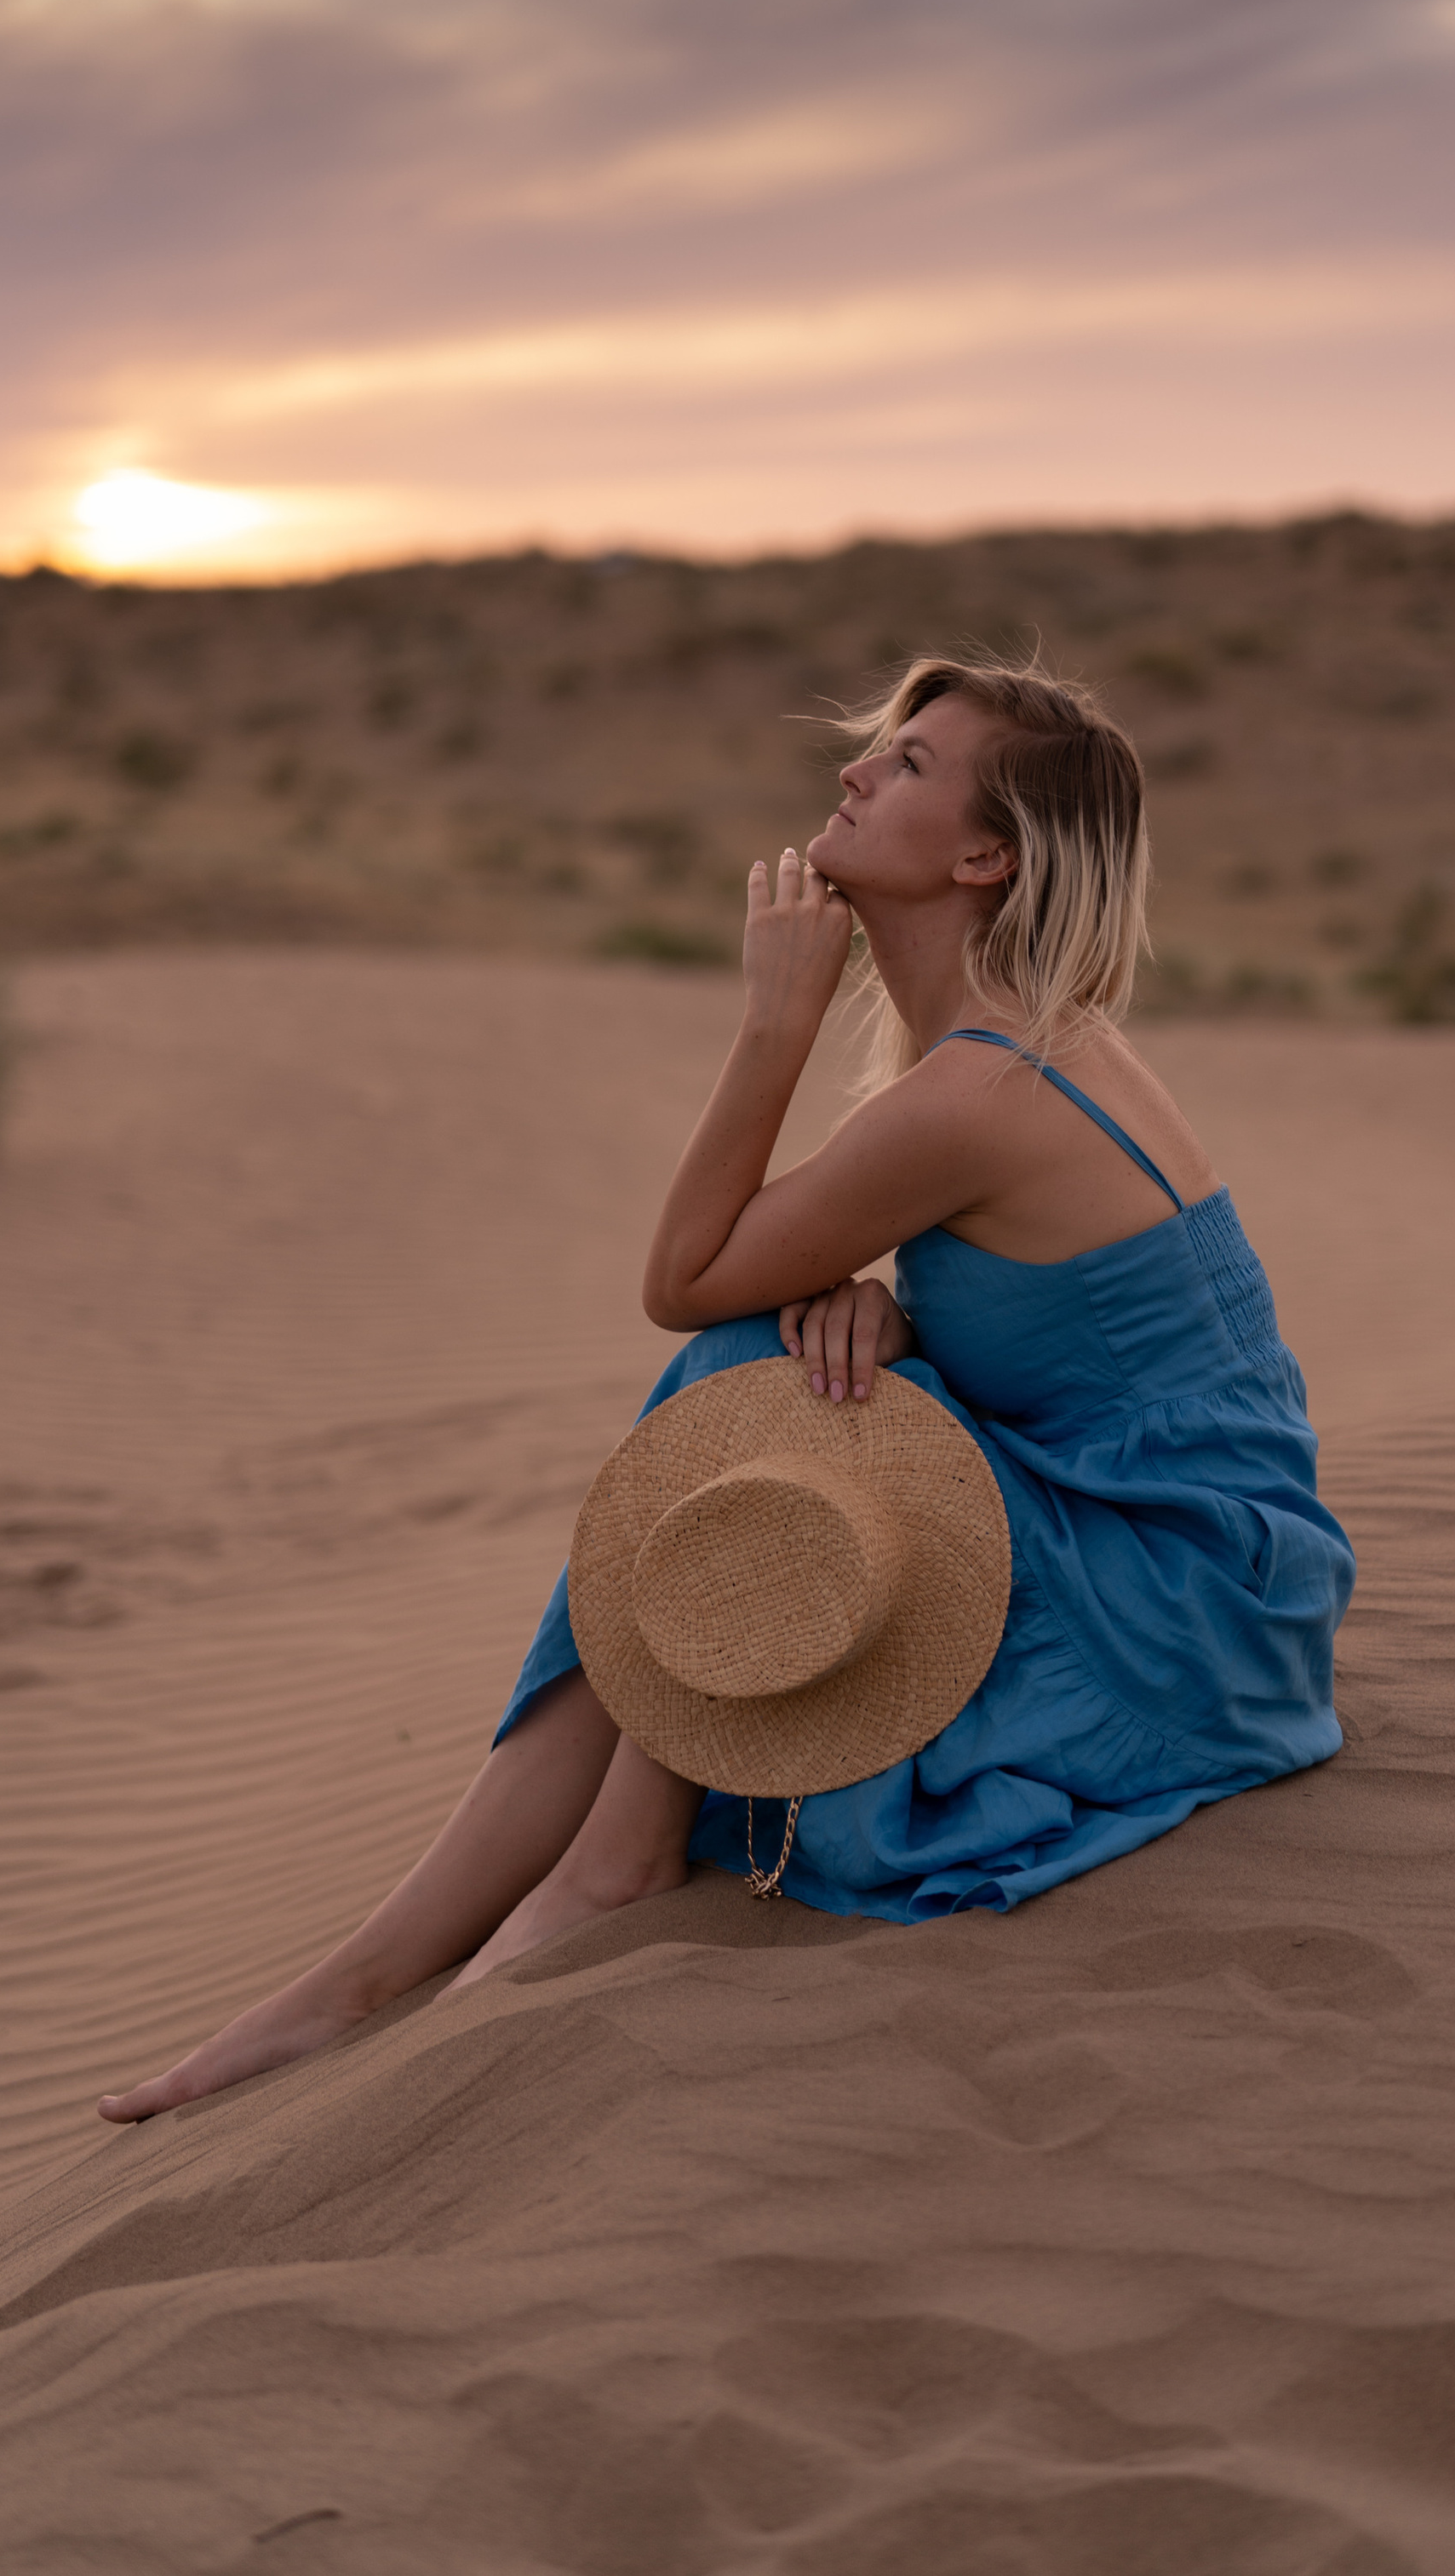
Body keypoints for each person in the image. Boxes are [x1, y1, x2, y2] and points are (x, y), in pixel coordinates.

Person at [100, 658, 1353, 2125]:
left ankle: (566, 1882)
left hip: (1184, 1610)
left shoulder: (978, 1090)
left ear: (982, 855)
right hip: (1211, 1566)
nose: (854, 774)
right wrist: (892, 1315)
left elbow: (687, 1277)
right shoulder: (1013, 1049)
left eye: (908, 765)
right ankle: (407, 1953)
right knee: (779, 1365)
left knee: (744, 1369)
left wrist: (773, 1022)